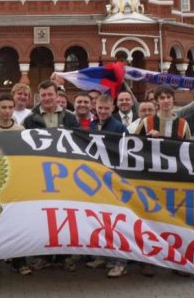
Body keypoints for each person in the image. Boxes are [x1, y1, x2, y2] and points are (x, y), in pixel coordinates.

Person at [0, 93, 32, 277]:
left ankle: (19, 262)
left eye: (10, 107)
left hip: (15, 184)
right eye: (4, 107)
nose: (7, 111)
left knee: (16, 224)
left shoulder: (20, 130)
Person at [88, 94, 129, 277]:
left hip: (114, 179)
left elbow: (125, 154)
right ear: (95, 108)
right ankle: (103, 257)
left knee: (116, 222)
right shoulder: (91, 126)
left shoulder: (119, 127)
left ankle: (119, 262)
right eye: (100, 108)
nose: (103, 111)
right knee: (99, 220)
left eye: (106, 108)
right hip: (96, 180)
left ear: (112, 108)